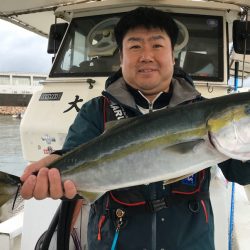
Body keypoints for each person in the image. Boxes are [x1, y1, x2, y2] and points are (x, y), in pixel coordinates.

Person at [20, 7, 250, 250]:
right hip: (114, 241)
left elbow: (240, 173)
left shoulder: (201, 109)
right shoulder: (96, 111)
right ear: (121, 57)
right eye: (135, 46)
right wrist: (55, 167)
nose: (146, 56)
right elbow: (72, 155)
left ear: (173, 56)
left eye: (157, 45)